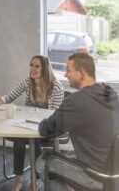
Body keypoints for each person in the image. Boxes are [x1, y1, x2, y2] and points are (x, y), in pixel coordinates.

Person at [36, 52, 119, 190]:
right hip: (114, 171)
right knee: (69, 155)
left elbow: (46, 130)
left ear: (81, 73)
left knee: (42, 162)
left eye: (68, 70)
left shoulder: (77, 101)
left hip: (97, 176)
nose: (65, 75)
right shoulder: (110, 93)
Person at [0, 55, 63, 191]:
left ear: (45, 68)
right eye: (31, 65)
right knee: (20, 139)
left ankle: (35, 180)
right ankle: (19, 179)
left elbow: (54, 115)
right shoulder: (27, 82)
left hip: (48, 127)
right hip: (27, 125)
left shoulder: (56, 87)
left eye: (37, 66)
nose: (33, 69)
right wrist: (0, 100)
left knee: (33, 139)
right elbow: (9, 96)